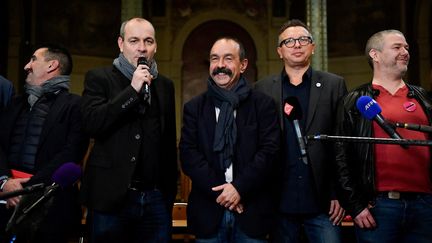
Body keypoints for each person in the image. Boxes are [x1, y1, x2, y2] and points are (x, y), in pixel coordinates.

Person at [80, 17, 178, 243]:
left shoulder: (165, 85)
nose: (142, 47)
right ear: (120, 43)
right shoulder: (99, 78)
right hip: (111, 197)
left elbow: (168, 140)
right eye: (134, 41)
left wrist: (167, 196)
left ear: (156, 46)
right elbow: (93, 124)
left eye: (148, 41)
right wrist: (132, 90)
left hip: (155, 198)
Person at [335, 29, 432, 243]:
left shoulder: (423, 97)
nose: (405, 51)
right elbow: (341, 156)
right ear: (375, 55)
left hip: (426, 206)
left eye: (406, 47)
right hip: (379, 207)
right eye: (397, 47)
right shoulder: (355, 100)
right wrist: (356, 206)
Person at [179, 37, 280, 242]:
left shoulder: (263, 105)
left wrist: (238, 188)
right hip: (208, 212)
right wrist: (224, 194)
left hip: (252, 213)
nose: (220, 66)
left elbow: (270, 152)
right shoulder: (194, 108)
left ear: (242, 65)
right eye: (215, 59)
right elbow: (189, 155)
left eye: (228, 59)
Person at [255, 19, 347, 243]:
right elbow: (256, 145)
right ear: (279, 51)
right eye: (289, 41)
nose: (297, 45)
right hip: (278, 201)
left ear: (313, 47)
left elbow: (342, 144)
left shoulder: (334, 85)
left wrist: (340, 193)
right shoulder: (262, 89)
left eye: (303, 39)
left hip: (324, 202)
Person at [0, 43, 89, 243]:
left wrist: (25, 190)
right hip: (5, 203)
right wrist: (5, 182)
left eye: (33, 59)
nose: (26, 66)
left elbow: (71, 154)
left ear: (52, 65)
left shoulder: (76, 106)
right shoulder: (14, 103)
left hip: (51, 210)